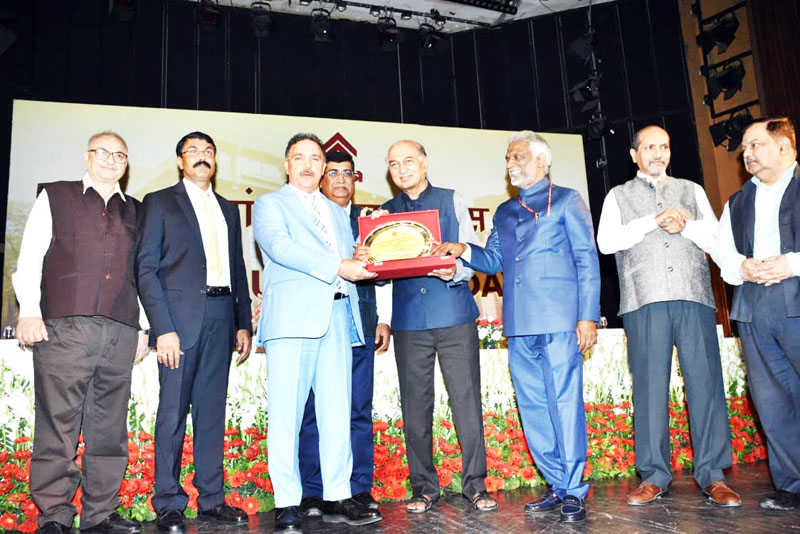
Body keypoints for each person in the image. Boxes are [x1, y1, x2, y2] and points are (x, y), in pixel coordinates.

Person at [434, 130, 600, 522]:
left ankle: (574, 488)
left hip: (561, 320)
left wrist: (587, 316)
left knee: (563, 404)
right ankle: (558, 485)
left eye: (519, 156)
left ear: (543, 160)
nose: (511, 163)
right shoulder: (505, 211)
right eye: (508, 157)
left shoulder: (567, 199)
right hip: (520, 325)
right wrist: (462, 249)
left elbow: (586, 259)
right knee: (534, 407)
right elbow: (492, 261)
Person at [596, 125, 740, 507]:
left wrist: (686, 224)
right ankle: (654, 474)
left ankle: (713, 474)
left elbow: (717, 238)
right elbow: (606, 242)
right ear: (634, 155)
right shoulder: (617, 196)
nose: (658, 153)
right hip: (644, 300)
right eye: (649, 147)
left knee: (705, 384)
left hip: (693, 296)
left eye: (664, 146)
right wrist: (652, 221)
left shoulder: (691, 190)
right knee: (649, 387)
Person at [13, 132, 146, 534]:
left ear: (126, 163)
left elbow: (142, 274)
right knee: (58, 426)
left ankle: (100, 514)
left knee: (109, 428)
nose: (111, 160)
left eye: (119, 155)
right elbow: (31, 254)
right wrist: (30, 311)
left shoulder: (137, 212)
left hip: (120, 331)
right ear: (87, 156)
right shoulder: (55, 195)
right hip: (63, 328)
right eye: (103, 152)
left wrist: (143, 328)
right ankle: (54, 515)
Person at [252, 134, 382, 532]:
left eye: (315, 158)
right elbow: (280, 247)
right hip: (292, 320)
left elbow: (348, 258)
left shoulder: (337, 211)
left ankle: (338, 494)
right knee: (287, 415)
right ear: (287, 164)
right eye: (299, 158)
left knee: (336, 413)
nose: (308, 165)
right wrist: (339, 265)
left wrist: (360, 257)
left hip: (339, 318)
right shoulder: (269, 204)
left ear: (325, 168)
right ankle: (288, 502)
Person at [136, 132, 253, 533]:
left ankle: (212, 499)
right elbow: (146, 269)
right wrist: (162, 329)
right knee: (171, 415)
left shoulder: (227, 208)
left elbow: (237, 267)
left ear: (215, 160)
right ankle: (168, 501)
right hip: (179, 323)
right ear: (180, 161)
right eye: (193, 152)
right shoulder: (160, 203)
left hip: (223, 316)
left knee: (210, 413)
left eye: (208, 152)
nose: (202, 158)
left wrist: (243, 322)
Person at [378, 140, 496, 514]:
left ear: (425, 163)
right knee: (415, 406)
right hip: (410, 321)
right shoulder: (383, 214)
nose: (402, 169)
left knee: (466, 401)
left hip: (454, 314)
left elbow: (472, 252)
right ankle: (424, 488)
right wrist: (369, 258)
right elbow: (379, 277)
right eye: (394, 164)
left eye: (409, 161)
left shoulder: (451, 198)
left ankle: (475, 486)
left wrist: (454, 270)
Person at [711, 116, 800, 511]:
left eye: (755, 144)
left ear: (784, 146)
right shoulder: (737, 201)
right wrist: (741, 268)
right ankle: (792, 485)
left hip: (796, 296)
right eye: (744, 147)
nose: (746, 153)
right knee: (772, 401)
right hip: (754, 308)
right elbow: (722, 253)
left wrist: (793, 264)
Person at [298, 151, 392, 517]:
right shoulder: (307, 217)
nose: (340, 180)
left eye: (347, 174)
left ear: (356, 180)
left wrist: (382, 318)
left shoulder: (368, 221)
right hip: (316, 326)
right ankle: (313, 492)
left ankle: (357, 488)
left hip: (360, 325)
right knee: (313, 412)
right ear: (320, 177)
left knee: (357, 409)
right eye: (332, 173)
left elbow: (383, 272)